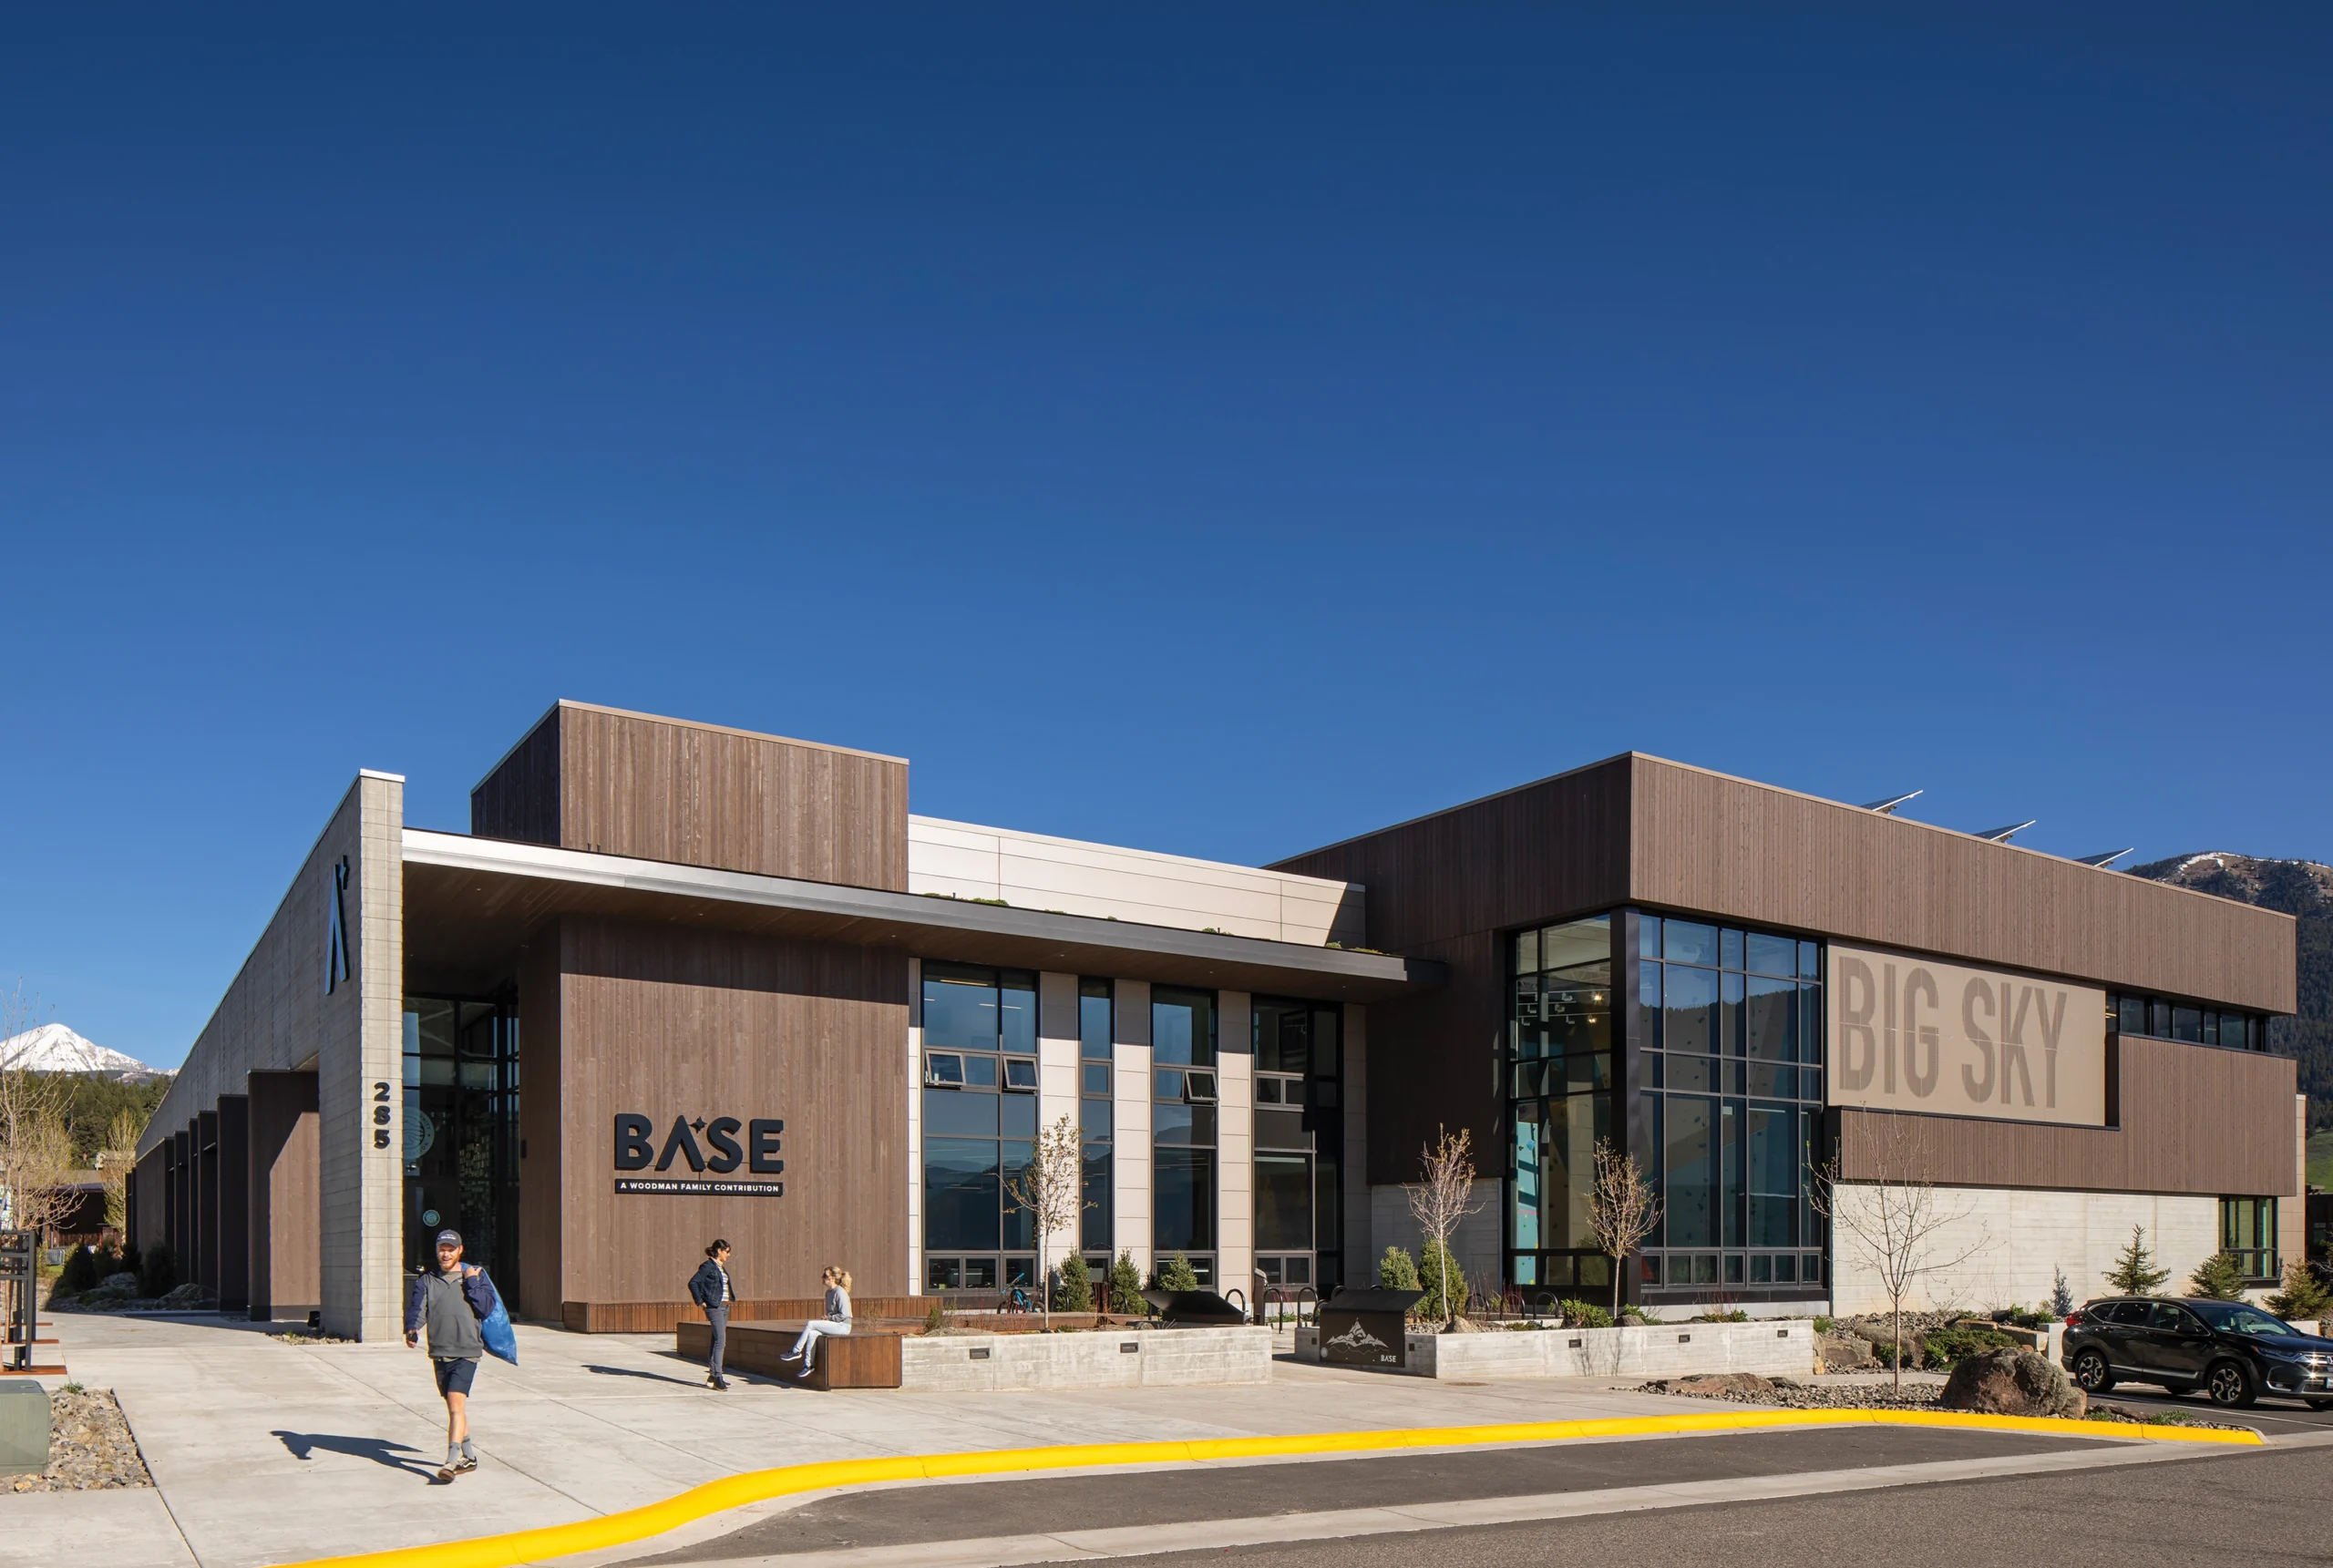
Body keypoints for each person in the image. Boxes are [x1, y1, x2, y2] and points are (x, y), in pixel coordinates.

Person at [404, 1229, 499, 1481]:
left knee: (456, 1404)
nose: (445, 1253)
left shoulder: (476, 1276)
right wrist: (412, 1329)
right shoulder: (427, 1280)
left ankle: (451, 1461)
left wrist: (473, 1281)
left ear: (460, 1250)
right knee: (454, 1406)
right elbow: (417, 1308)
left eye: (450, 1249)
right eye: (442, 1249)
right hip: (439, 1351)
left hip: (467, 1350)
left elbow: (486, 1307)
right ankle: (469, 1457)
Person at [687, 1239, 736, 1391]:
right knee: (721, 1341)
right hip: (715, 1307)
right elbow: (693, 1282)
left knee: (716, 1340)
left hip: (724, 1307)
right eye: (727, 1251)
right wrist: (700, 1301)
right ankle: (718, 1376)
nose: (729, 1255)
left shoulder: (720, 1267)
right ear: (719, 1251)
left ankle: (712, 1376)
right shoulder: (709, 1266)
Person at [786, 1266, 851, 1378]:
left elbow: (845, 1315)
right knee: (812, 1333)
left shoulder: (840, 1292)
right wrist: (827, 1317)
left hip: (843, 1326)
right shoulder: (828, 1293)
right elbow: (832, 1313)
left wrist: (829, 1318)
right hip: (834, 1324)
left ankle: (796, 1351)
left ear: (832, 1278)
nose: (823, 1278)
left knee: (811, 1323)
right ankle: (808, 1365)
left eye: (825, 1276)